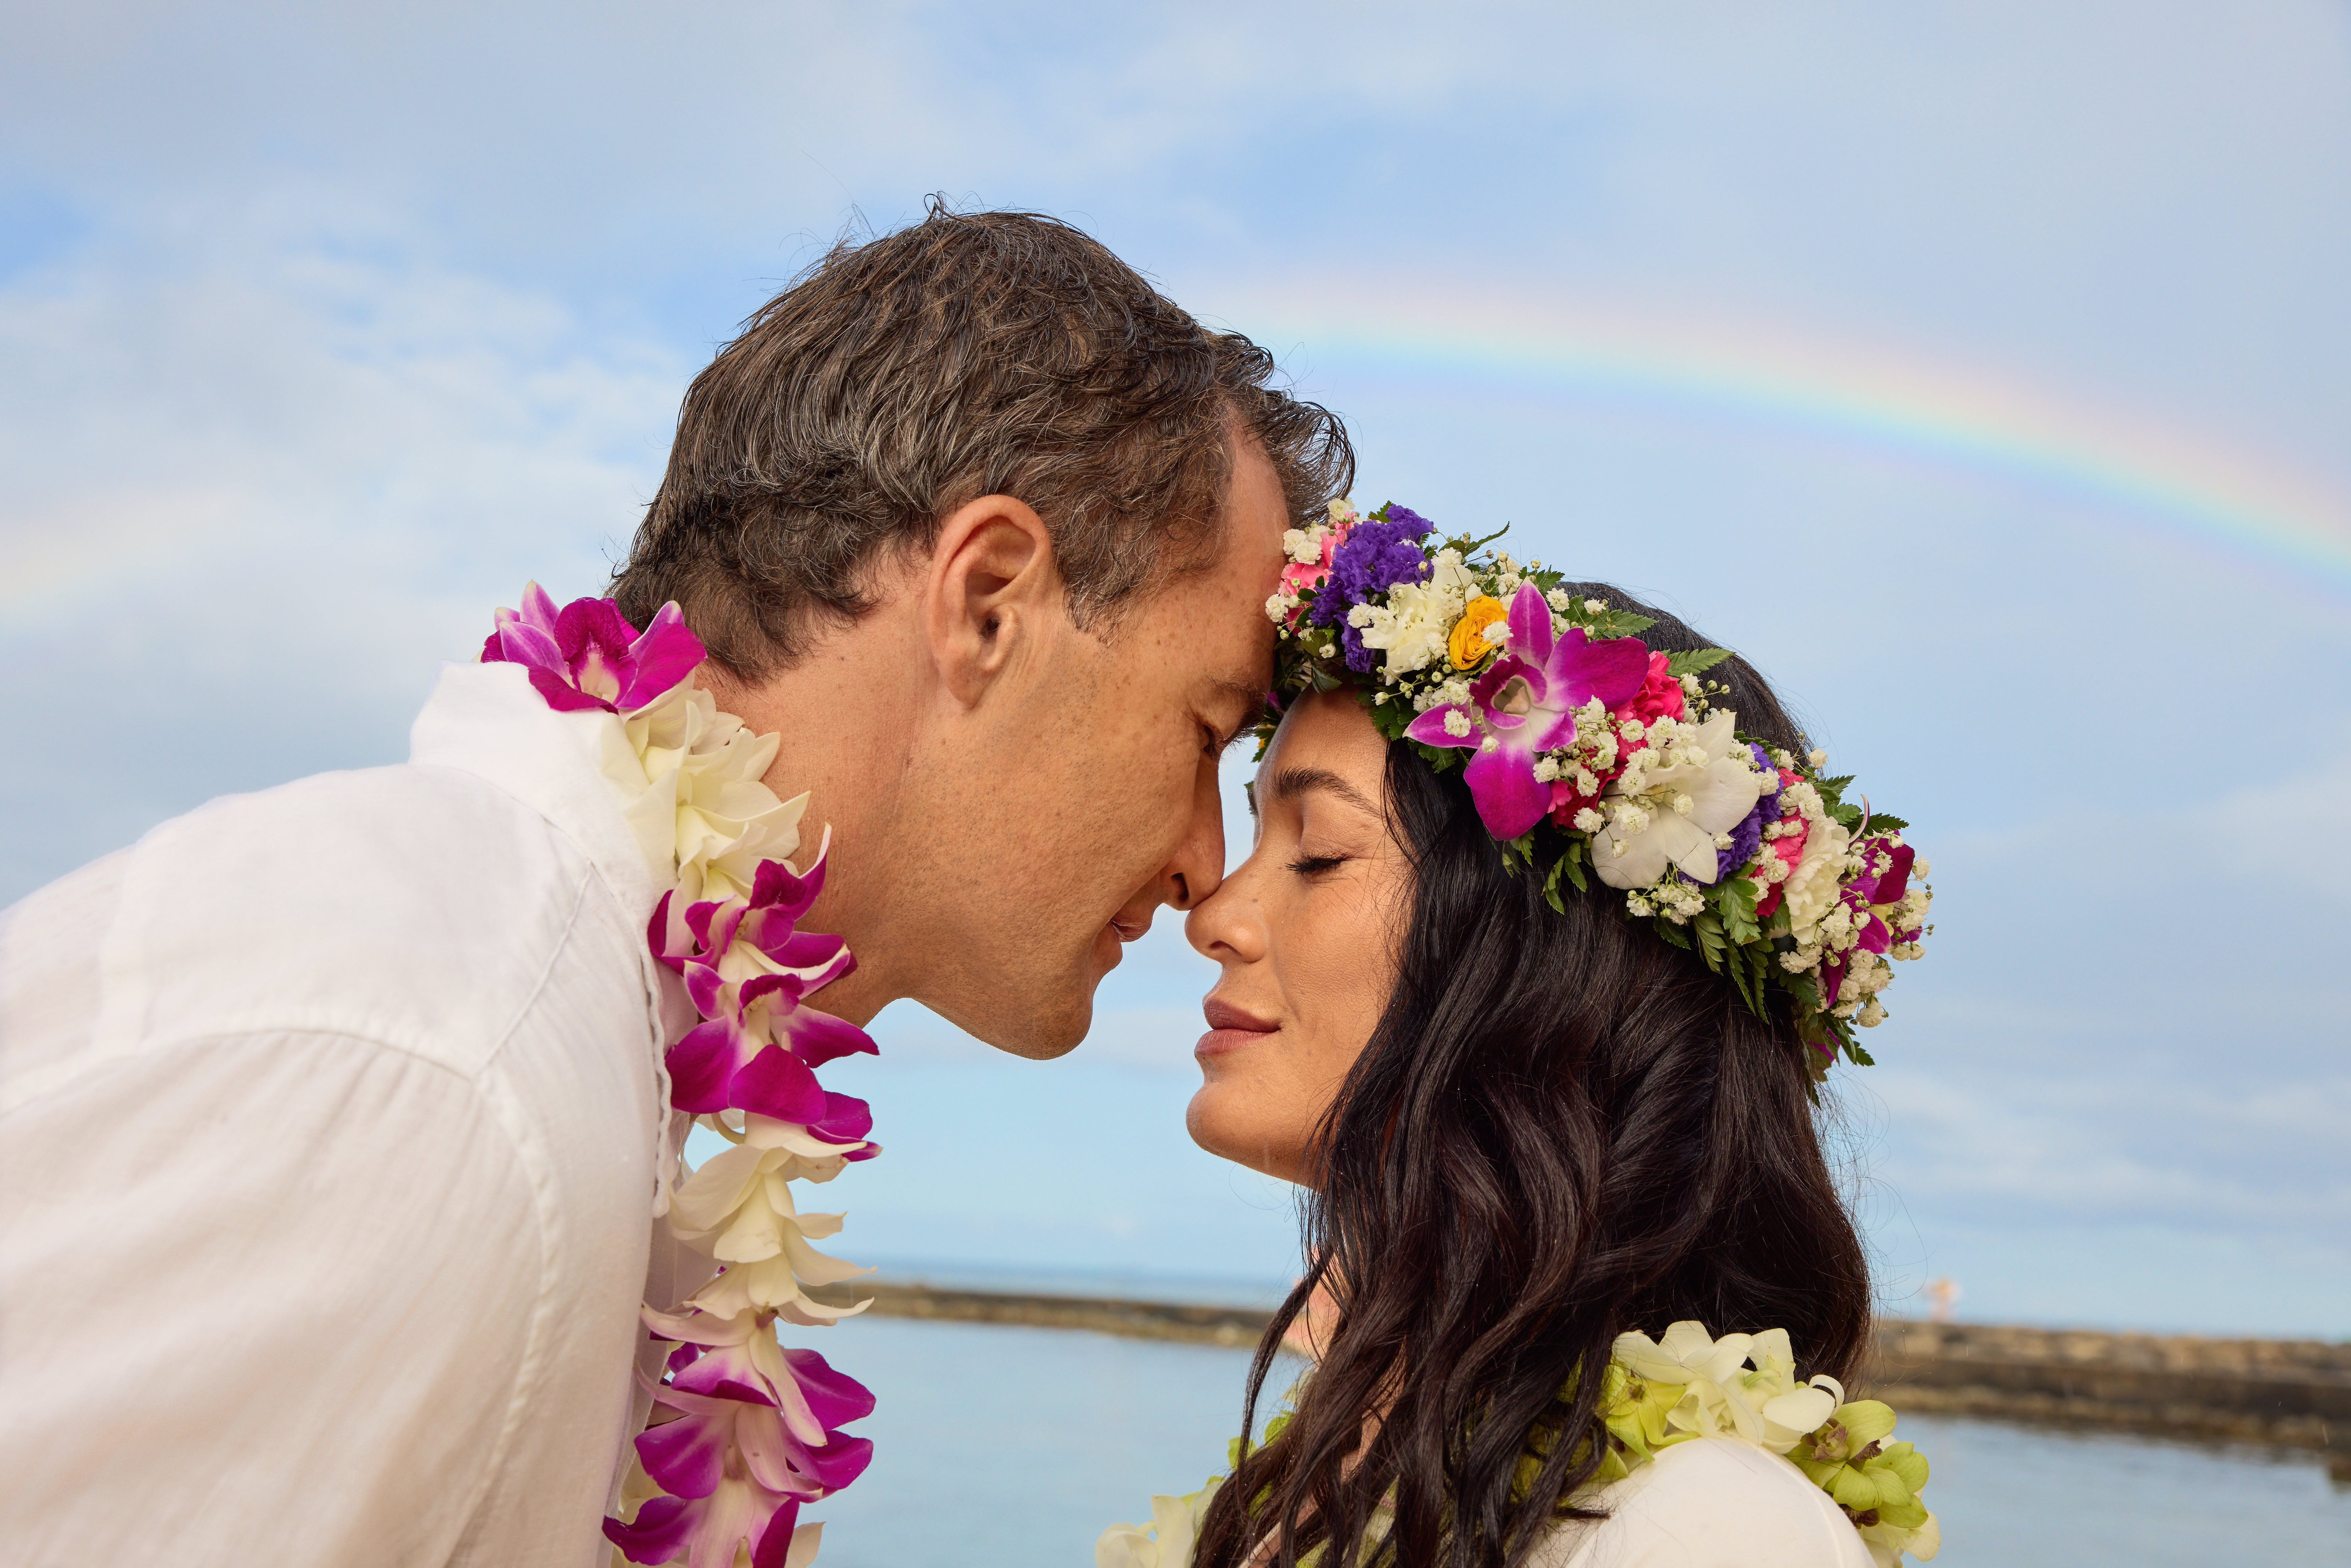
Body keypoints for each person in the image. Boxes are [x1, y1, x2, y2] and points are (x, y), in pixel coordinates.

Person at [0, 204, 1349, 1568]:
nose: (1199, 866)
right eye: (1203, 730)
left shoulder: (535, 1042)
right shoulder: (435, 1063)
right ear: (987, 603)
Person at [1099, 505, 1939, 1568]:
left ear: (1547, 968)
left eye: (1316, 851)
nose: (1214, 914)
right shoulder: (1354, 1469)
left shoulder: (1705, 1526)